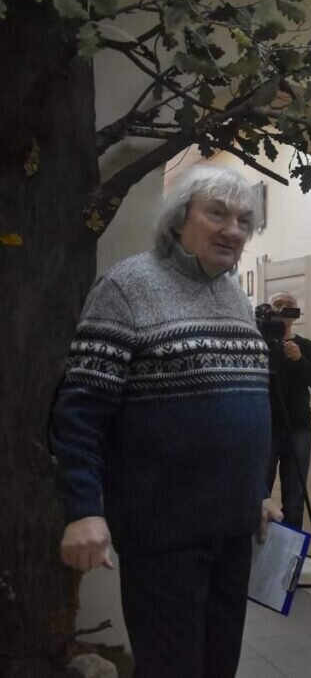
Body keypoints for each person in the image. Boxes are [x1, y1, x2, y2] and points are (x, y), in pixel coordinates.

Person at [51, 165, 282, 678]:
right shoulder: (127, 286)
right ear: (179, 219)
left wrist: (258, 493)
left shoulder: (233, 295)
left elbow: (247, 407)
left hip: (233, 531)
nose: (233, 230)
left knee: (219, 667)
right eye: (217, 213)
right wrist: (83, 509)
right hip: (163, 535)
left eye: (244, 220)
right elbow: (80, 412)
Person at [264, 291, 311, 529]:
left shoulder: (306, 346)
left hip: (298, 427)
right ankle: (257, 549)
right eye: (277, 304)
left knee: (294, 499)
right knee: (260, 494)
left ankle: (290, 551)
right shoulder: (261, 345)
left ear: (295, 313)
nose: (282, 309)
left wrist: (300, 360)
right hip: (267, 426)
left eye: (288, 305)